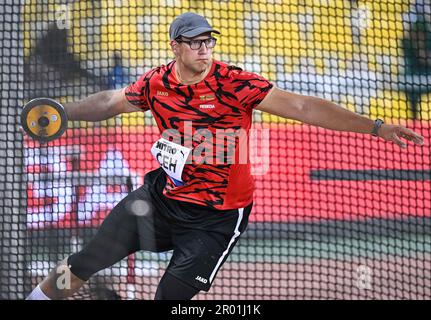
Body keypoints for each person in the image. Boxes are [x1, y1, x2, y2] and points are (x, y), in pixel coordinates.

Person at [26, 12, 425, 300]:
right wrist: (64, 112)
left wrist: (376, 127)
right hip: (161, 200)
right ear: (176, 47)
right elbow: (110, 102)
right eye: (195, 42)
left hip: (214, 218)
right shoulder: (157, 82)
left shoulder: (234, 83)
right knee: (83, 261)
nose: (204, 48)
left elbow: (304, 107)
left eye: (208, 41)